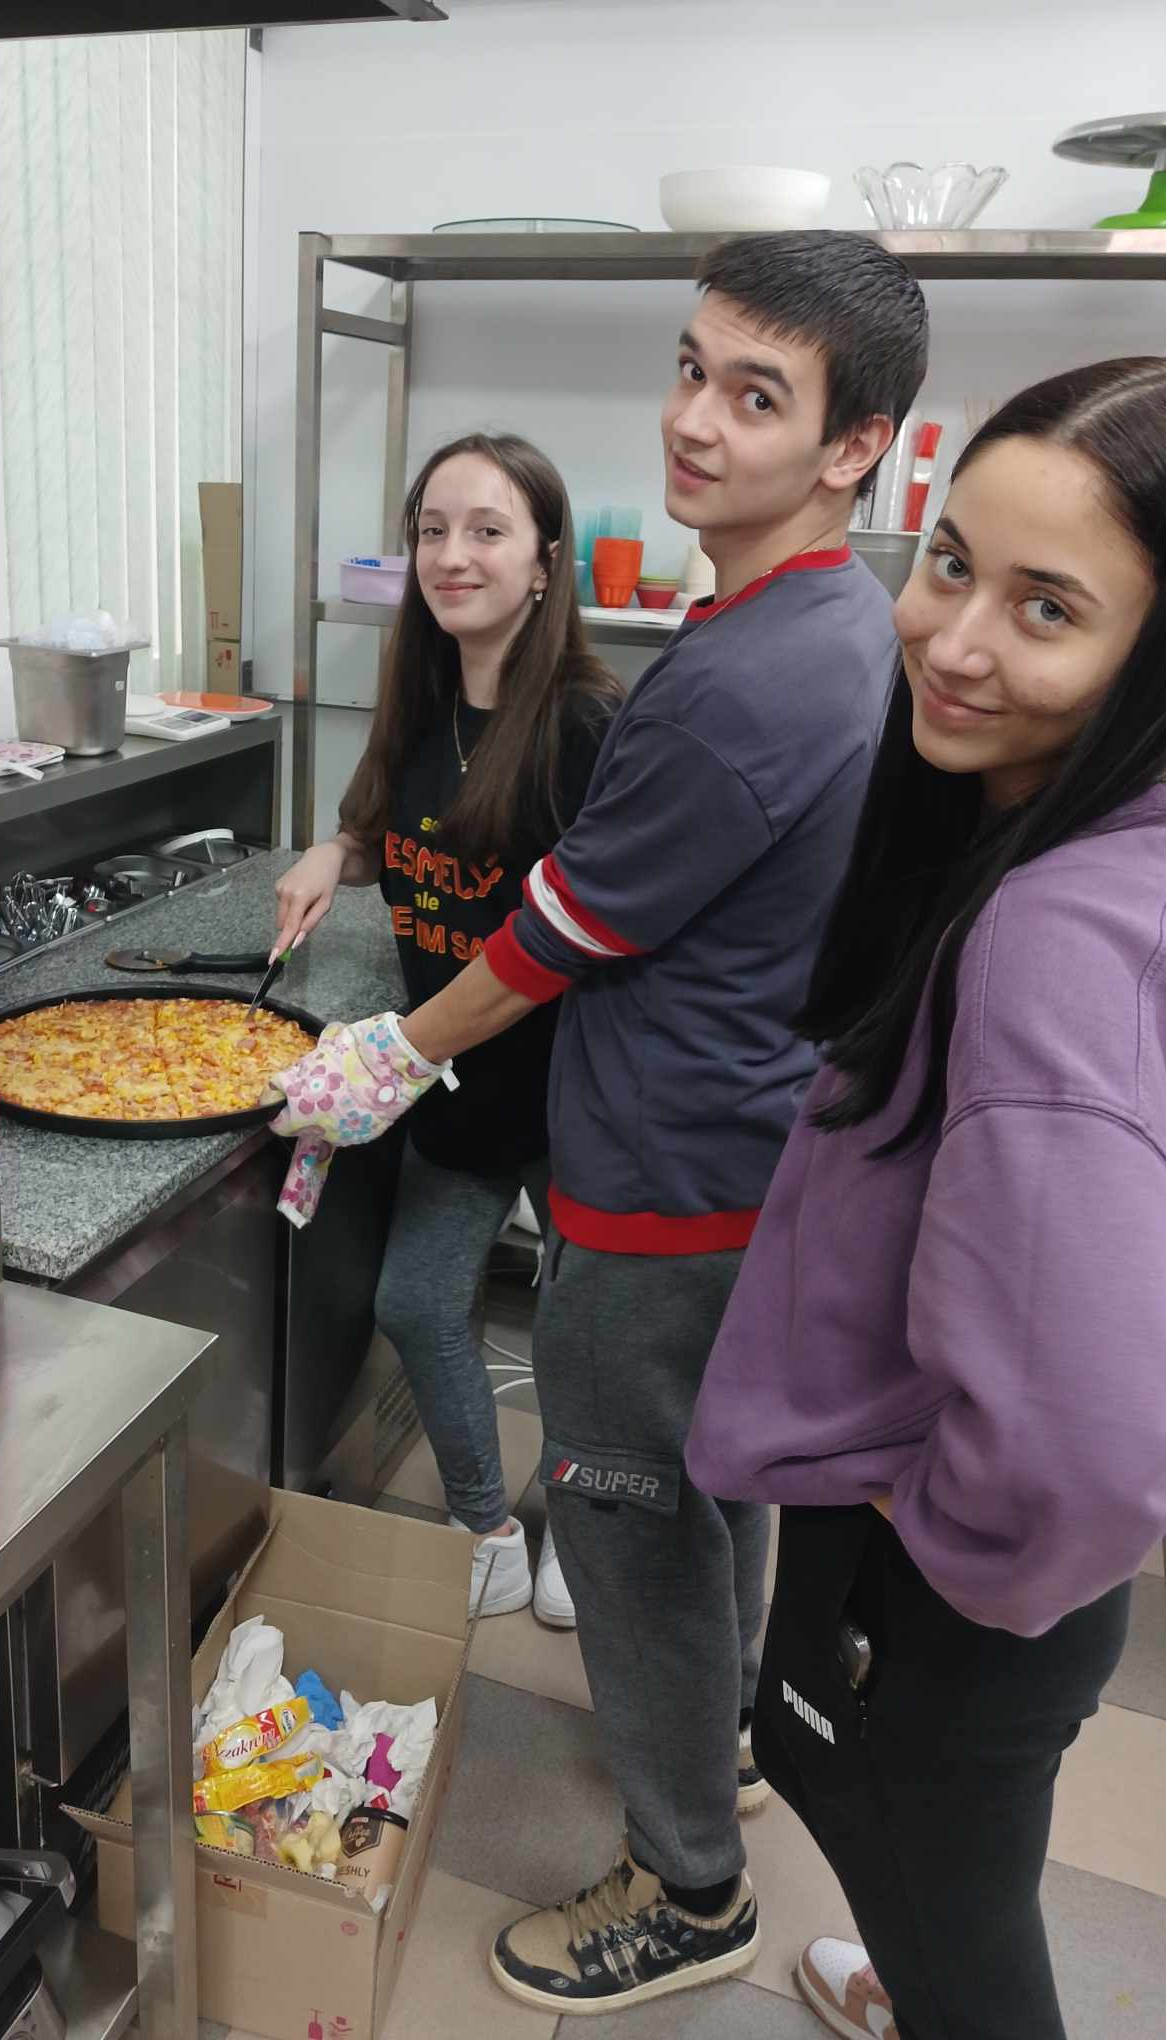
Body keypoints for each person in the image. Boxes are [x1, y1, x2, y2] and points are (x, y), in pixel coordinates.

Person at [269, 230, 930, 2012]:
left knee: (627, 1524)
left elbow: (559, 927)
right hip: (736, 1152)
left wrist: (386, 1056)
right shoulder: (807, 622)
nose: (694, 420)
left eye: (756, 395)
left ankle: (689, 1886)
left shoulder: (740, 681)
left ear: (855, 444)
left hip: (662, 1184)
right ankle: (723, 1744)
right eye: (694, 369)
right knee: (712, 1495)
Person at [686, 357, 1166, 2040]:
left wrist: (933, 1544)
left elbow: (1087, 1441)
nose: (951, 641)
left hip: (953, 1584)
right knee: (966, 1864)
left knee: (948, 1911)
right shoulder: (1099, 847)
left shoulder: (1047, 939)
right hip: (1038, 1595)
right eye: (951, 562)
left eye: (1047, 608)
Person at [271, 431, 620, 1624]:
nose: (452, 556)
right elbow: (390, 832)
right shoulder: (419, 702)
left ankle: (583, 1528)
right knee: (416, 1304)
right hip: (453, 1079)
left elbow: (600, 926)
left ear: (544, 561)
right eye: (432, 530)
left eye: (487, 530)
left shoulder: (589, 725)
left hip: (573, 1092)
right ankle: (484, 1527)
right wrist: (333, 852)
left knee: (581, 1337)